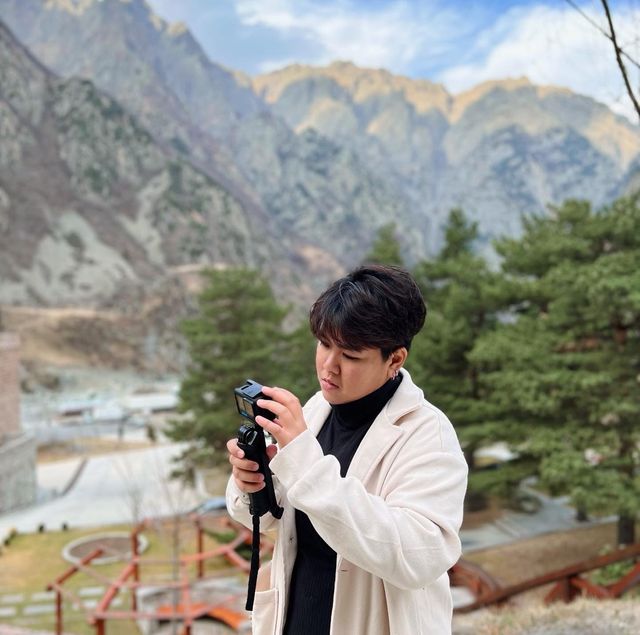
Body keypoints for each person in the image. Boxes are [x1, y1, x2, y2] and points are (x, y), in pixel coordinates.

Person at [226, 264, 468, 635]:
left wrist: (304, 464)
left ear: (395, 359)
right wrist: (253, 486)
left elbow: (418, 557)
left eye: (351, 356)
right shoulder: (315, 410)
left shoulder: (426, 435)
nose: (329, 366)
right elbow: (281, 521)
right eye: (324, 344)